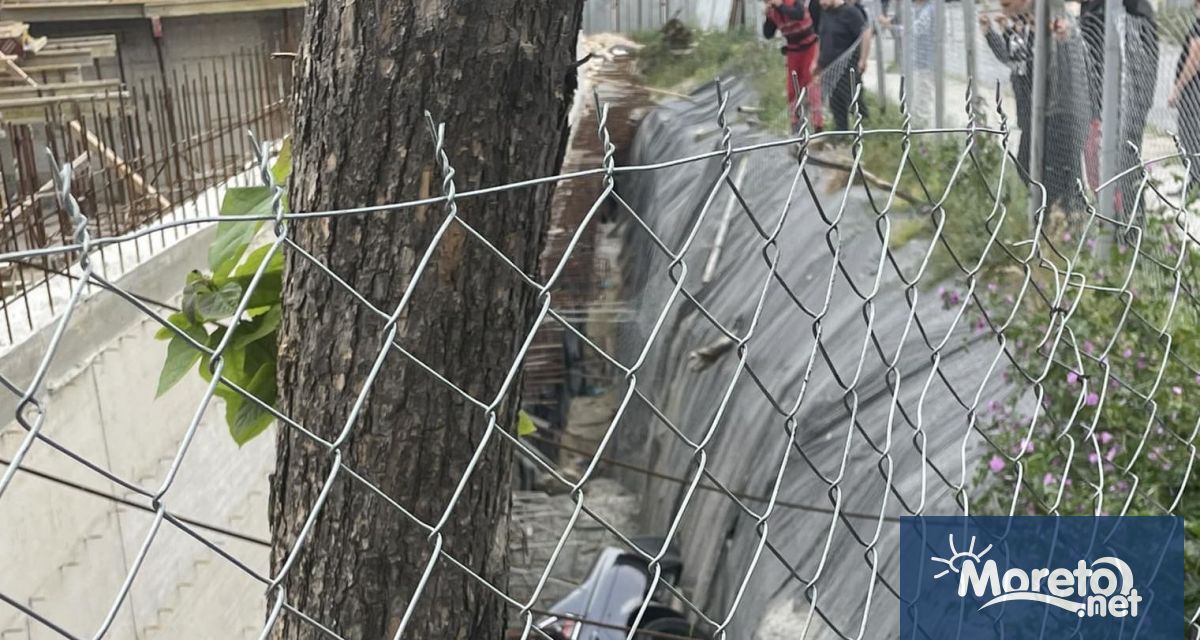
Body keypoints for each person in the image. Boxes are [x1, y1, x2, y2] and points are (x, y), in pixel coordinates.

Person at [1078, 0, 1158, 218]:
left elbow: (1141, 67)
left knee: (1124, 161)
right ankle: (1109, 219)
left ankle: (1130, 223)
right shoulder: (1093, 11)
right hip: (1097, 100)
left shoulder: (1133, 15)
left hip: (1123, 103)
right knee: (1096, 161)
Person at [763, 0, 824, 132]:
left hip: (809, 47)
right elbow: (768, 34)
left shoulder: (792, 2)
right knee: (792, 88)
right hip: (793, 50)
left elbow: (798, 14)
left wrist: (780, 5)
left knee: (812, 85)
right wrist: (768, 17)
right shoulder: (773, 11)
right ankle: (796, 122)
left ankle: (818, 124)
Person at [815, 0, 868, 131]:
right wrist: (816, 62)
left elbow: (865, 34)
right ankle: (841, 132)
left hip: (847, 66)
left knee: (853, 99)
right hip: (829, 66)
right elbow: (821, 38)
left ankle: (864, 129)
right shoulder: (825, 12)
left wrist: (863, 59)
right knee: (835, 103)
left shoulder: (850, 12)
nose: (821, 3)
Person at [1171, 0, 1200, 188]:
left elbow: (1195, 57)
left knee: (1190, 134)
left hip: (1193, 90)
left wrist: (1177, 88)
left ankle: (1196, 181)